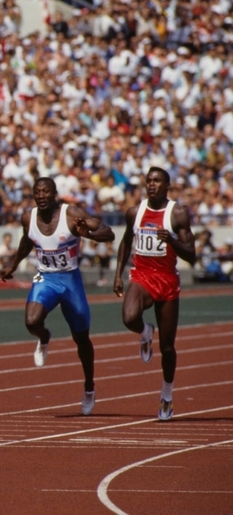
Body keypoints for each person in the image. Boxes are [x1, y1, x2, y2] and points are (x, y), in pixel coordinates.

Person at [0, 177, 115, 416]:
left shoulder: (70, 214)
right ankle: (44, 337)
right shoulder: (27, 217)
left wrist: (90, 235)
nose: (41, 196)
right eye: (37, 192)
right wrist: (13, 265)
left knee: (81, 339)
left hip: (70, 281)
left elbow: (108, 233)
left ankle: (89, 387)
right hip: (47, 279)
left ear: (54, 195)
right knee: (31, 321)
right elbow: (26, 241)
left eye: (46, 192)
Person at [113, 167, 196, 421]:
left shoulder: (177, 214)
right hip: (142, 276)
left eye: (157, 181)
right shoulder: (135, 212)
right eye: (148, 181)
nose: (151, 185)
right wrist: (118, 274)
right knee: (128, 317)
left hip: (167, 281)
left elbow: (192, 256)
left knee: (168, 348)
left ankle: (167, 395)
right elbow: (126, 241)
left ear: (167, 185)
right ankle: (145, 332)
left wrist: (171, 240)